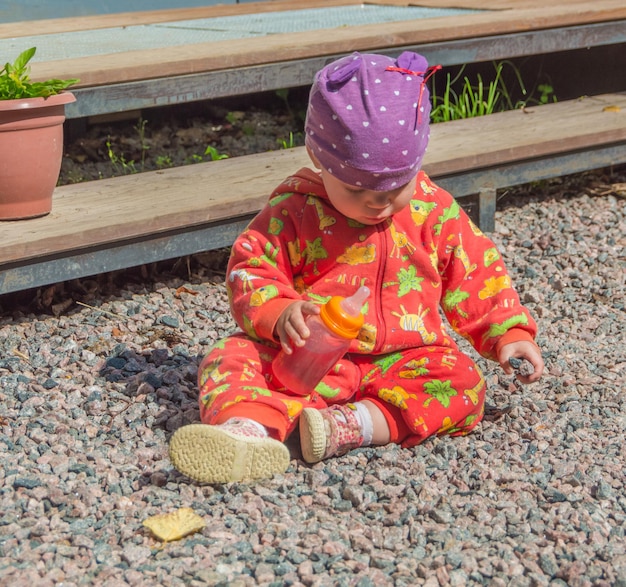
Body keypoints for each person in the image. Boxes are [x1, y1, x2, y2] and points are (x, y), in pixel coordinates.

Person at [168, 51, 544, 484]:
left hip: (408, 358)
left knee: (463, 382)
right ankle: (246, 432)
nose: (378, 202)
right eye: (357, 188)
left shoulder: (431, 210)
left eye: (396, 186)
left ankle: (350, 426)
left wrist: (507, 332)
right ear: (318, 157)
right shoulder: (295, 211)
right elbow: (252, 267)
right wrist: (280, 313)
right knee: (231, 357)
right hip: (312, 358)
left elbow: (476, 269)